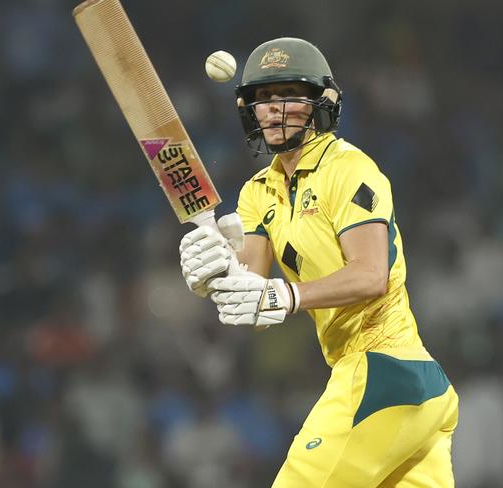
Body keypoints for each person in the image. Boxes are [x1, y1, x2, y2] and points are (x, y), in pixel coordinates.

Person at [179, 37, 459, 487]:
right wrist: (215, 271)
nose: (272, 109)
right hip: (400, 391)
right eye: (262, 99)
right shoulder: (257, 192)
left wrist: (287, 294)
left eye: (287, 95)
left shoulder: (349, 169)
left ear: (321, 103)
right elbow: (253, 301)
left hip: (384, 371)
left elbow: (370, 276)